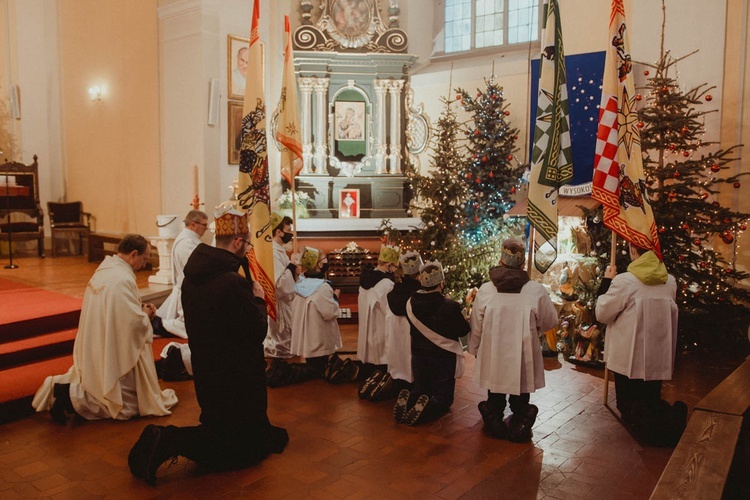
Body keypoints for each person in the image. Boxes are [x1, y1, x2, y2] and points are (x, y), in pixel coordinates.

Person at [128, 209, 288, 486]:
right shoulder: (231, 282)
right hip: (235, 374)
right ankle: (166, 440)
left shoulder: (195, 275)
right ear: (237, 242)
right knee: (237, 450)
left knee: (222, 424)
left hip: (207, 367)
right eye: (248, 243)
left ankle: (250, 435)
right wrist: (259, 300)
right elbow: (255, 331)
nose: (248, 248)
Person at [32, 234, 178, 423]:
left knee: (113, 390)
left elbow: (119, 312)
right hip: (113, 345)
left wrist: (139, 311)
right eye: (144, 258)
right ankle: (70, 395)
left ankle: (67, 392)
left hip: (98, 340)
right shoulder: (122, 279)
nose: (144, 264)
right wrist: (146, 316)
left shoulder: (105, 270)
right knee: (127, 404)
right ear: (133, 254)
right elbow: (132, 324)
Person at [468, 239, 558, 442]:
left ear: (500, 261)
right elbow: (550, 320)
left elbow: (476, 324)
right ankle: (520, 419)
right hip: (523, 352)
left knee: (495, 390)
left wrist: (474, 348)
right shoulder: (535, 290)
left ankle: (494, 416)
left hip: (494, 351)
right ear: (522, 264)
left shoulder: (486, 290)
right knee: (521, 390)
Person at [596, 242, 685, 447]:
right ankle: (667, 417)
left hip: (629, 355)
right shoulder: (670, 281)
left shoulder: (625, 281)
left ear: (634, 251)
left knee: (628, 407)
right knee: (650, 399)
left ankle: (654, 429)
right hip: (657, 353)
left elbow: (602, 313)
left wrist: (606, 281)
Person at [392, 261, 470, 426]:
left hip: (419, 354)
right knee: (443, 397)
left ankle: (410, 401)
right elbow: (462, 330)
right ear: (441, 283)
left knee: (421, 387)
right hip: (443, 356)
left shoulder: (409, 303)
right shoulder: (450, 306)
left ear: (422, 282)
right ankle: (427, 412)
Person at [362, 250, 423, 402]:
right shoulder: (418, 295)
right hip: (411, 339)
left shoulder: (395, 290)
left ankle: (395, 385)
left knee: (399, 363)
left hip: (395, 337)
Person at [289, 246, 343, 379]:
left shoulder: (300, 283)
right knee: (318, 370)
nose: (326, 262)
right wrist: (335, 297)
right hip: (319, 336)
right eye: (324, 259)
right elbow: (329, 312)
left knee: (312, 366)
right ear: (319, 264)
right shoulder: (322, 287)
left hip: (307, 336)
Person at [356, 244, 399, 397]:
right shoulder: (386, 284)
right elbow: (389, 309)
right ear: (388, 265)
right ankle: (381, 380)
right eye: (395, 266)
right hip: (380, 324)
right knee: (381, 352)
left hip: (366, 324)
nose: (395, 270)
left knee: (370, 349)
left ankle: (369, 376)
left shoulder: (365, 279)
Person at [263, 213, 299, 360]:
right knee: (282, 337)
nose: (290, 233)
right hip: (280, 301)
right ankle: (279, 352)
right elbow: (279, 284)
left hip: (286, 301)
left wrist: (292, 269)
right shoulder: (272, 252)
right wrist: (291, 267)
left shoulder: (279, 249)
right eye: (288, 229)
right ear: (278, 231)